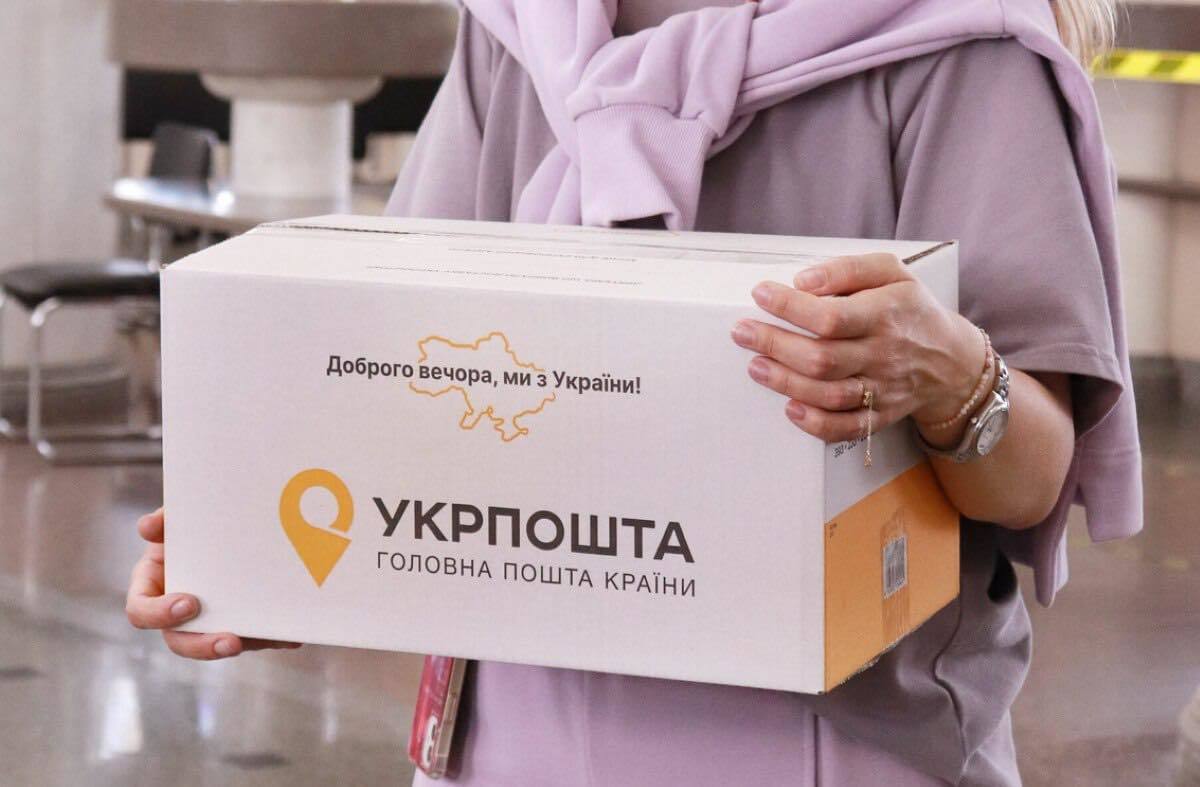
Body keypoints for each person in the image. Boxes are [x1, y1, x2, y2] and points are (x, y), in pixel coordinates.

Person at [126, 0, 1144, 783]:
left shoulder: (959, 42)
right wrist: (262, 560)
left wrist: (955, 375)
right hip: (512, 730)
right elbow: (403, 371)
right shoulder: (519, 32)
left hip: (836, 740)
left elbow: (1032, 480)